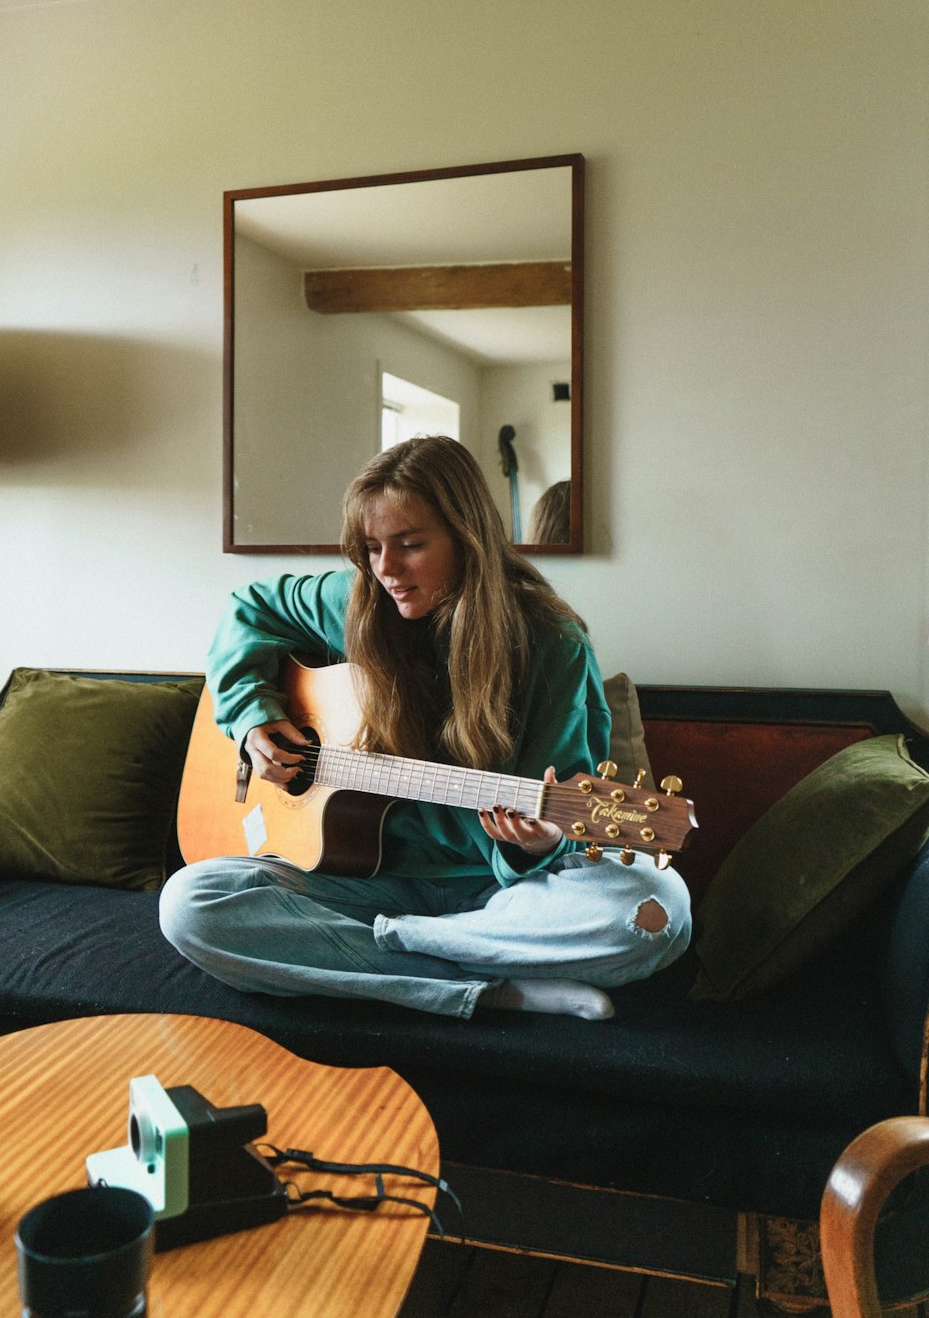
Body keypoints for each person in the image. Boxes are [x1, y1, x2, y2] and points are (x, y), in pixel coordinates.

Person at [160, 436, 691, 1021]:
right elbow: (247, 608)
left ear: (467, 538)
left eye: (410, 545)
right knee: (189, 905)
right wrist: (253, 718)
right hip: (358, 882)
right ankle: (494, 986)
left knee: (656, 912)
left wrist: (538, 842)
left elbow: (555, 815)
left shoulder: (551, 646)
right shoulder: (356, 600)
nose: (386, 570)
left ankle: (403, 952)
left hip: (496, 895)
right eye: (370, 548)